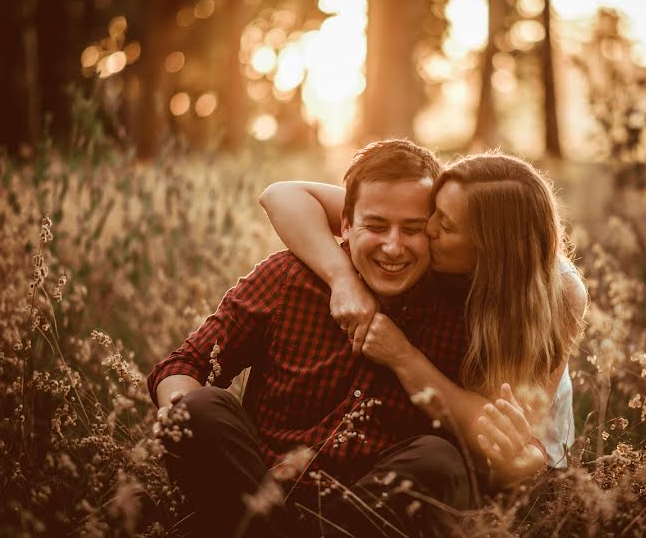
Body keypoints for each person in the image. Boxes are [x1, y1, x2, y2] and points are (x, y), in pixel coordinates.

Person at [148, 140, 476, 537]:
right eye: (375, 226)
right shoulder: (289, 278)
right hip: (254, 489)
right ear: (345, 225)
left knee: (440, 461)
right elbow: (184, 365)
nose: (393, 246)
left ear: (434, 231)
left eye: (412, 229)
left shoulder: (458, 313)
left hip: (362, 516)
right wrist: (181, 418)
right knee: (194, 406)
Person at [259, 150, 588, 492]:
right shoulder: (443, 228)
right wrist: (343, 279)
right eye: (434, 212)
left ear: (487, 249)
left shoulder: (559, 294)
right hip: (441, 448)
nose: (425, 229)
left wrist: (402, 356)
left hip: (524, 471)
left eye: (444, 225)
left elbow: (508, 440)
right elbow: (282, 195)